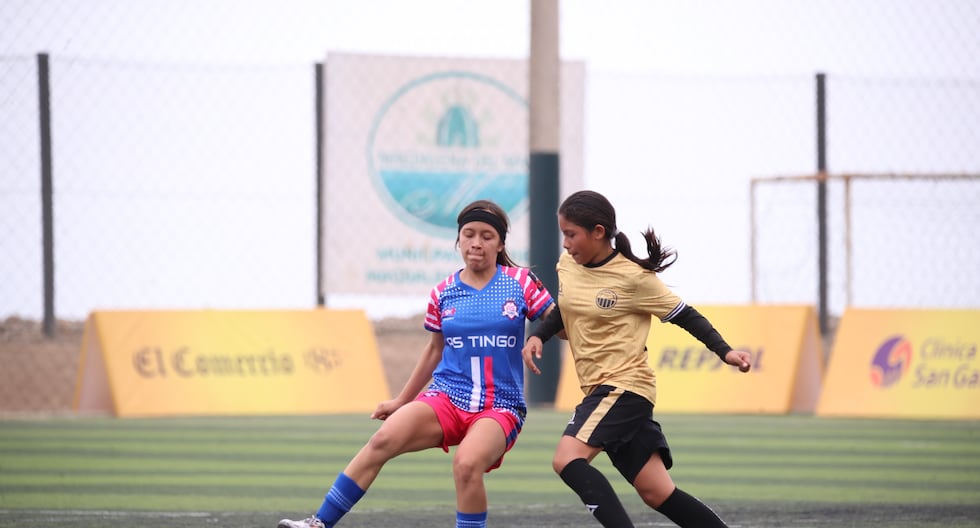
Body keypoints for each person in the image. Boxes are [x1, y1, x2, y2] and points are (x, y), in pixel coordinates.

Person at [278, 200, 555, 528]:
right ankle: (318, 523)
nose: (476, 243)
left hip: (501, 407)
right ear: (458, 240)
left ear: (501, 244)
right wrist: (401, 401)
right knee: (382, 440)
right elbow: (434, 350)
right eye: (468, 235)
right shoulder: (442, 292)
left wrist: (541, 335)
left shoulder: (520, 283)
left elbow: (560, 324)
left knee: (466, 466)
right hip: (448, 397)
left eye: (486, 236)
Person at [521, 190, 752, 528]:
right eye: (563, 234)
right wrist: (538, 335)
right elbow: (564, 310)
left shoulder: (634, 278)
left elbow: (685, 315)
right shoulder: (568, 264)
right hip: (608, 393)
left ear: (598, 232)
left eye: (571, 234)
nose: (566, 243)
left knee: (566, 459)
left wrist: (726, 351)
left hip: (623, 388)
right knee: (658, 493)